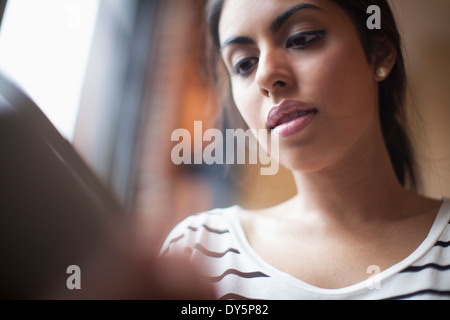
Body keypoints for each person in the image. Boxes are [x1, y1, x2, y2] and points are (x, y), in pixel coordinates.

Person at [161, 0, 450, 300]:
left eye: (301, 38)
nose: (266, 77)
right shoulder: (199, 252)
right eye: (244, 63)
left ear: (380, 51)